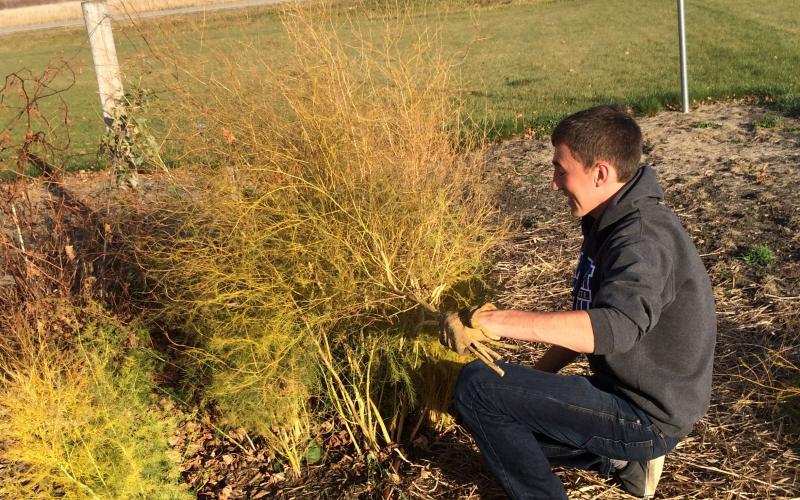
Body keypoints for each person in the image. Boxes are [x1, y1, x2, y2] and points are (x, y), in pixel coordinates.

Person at [440, 105, 716, 499]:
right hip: (621, 396)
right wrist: (530, 383)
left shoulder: (641, 239)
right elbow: (586, 321)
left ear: (600, 172)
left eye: (560, 169)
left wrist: (495, 321)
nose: (553, 183)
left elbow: (612, 328)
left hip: (646, 417)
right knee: (485, 413)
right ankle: (619, 461)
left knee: (476, 387)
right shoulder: (608, 220)